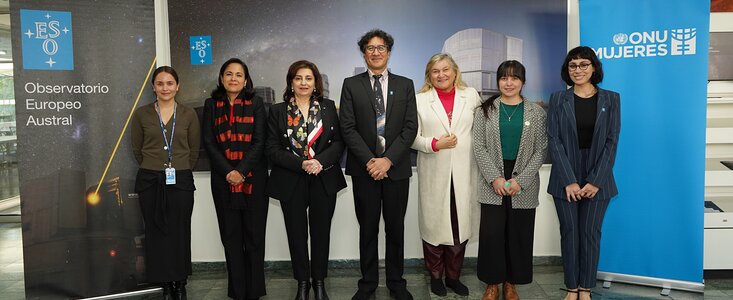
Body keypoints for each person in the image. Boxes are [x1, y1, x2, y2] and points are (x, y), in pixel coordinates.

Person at [339, 29, 418, 300]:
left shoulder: (405, 84)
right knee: (368, 229)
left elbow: (410, 127)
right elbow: (347, 128)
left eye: (381, 47)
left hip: (395, 170)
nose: (375, 52)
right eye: (370, 48)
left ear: (389, 52)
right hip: (365, 171)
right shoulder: (351, 84)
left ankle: (397, 282)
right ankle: (368, 284)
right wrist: (372, 161)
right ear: (364, 53)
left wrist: (388, 160)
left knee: (396, 229)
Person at [266, 60, 347, 300]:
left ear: (315, 83)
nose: (303, 83)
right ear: (291, 82)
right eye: (298, 78)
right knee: (296, 234)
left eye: (308, 78)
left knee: (321, 233)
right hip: (291, 180)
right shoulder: (277, 111)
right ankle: (302, 282)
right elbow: (271, 149)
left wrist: (319, 162)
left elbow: (340, 143)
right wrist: (301, 163)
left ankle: (319, 281)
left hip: (324, 178)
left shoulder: (329, 107)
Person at [547, 46, 620, 300]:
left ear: (594, 68)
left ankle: (586, 289)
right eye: (572, 66)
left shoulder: (611, 99)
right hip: (564, 176)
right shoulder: (557, 99)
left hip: (598, 177)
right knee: (569, 233)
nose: (578, 70)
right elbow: (553, 140)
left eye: (583, 65)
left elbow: (612, 141)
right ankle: (571, 288)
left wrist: (595, 181)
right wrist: (569, 180)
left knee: (590, 234)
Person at [473, 60, 547, 300]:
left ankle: (510, 283)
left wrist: (521, 181)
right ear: (498, 81)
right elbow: (479, 147)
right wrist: (495, 177)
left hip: (523, 181)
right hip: (491, 179)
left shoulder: (536, 112)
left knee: (518, 235)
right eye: (504, 78)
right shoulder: (485, 110)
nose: (509, 82)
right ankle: (492, 283)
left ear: (523, 82)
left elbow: (540, 149)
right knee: (492, 235)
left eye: (515, 78)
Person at [411, 53, 481, 297]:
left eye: (445, 70)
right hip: (434, 170)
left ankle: (453, 277)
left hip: (464, 171)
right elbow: (410, 136)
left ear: (455, 72)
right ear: (429, 76)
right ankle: (436, 277)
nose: (441, 75)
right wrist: (433, 144)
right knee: (433, 226)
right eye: (435, 71)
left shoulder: (470, 95)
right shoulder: (420, 100)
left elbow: (481, 129)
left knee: (459, 226)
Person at [131, 66, 200, 300]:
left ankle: (179, 282)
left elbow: (193, 150)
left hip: (180, 179)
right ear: (153, 87)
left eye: (170, 83)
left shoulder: (189, 114)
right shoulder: (141, 114)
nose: (165, 88)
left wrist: (177, 167)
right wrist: (156, 165)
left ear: (177, 86)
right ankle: (165, 284)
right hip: (150, 180)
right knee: (156, 232)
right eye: (160, 83)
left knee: (179, 232)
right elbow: (137, 149)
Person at [202, 58, 268, 300]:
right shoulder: (212, 104)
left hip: (253, 180)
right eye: (228, 74)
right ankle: (237, 291)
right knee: (230, 238)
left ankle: (255, 291)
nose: (233, 78)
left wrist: (241, 171)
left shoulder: (256, 103)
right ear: (221, 78)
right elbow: (209, 142)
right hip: (223, 181)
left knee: (254, 237)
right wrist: (229, 171)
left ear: (246, 79)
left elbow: (260, 141)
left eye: (239, 74)